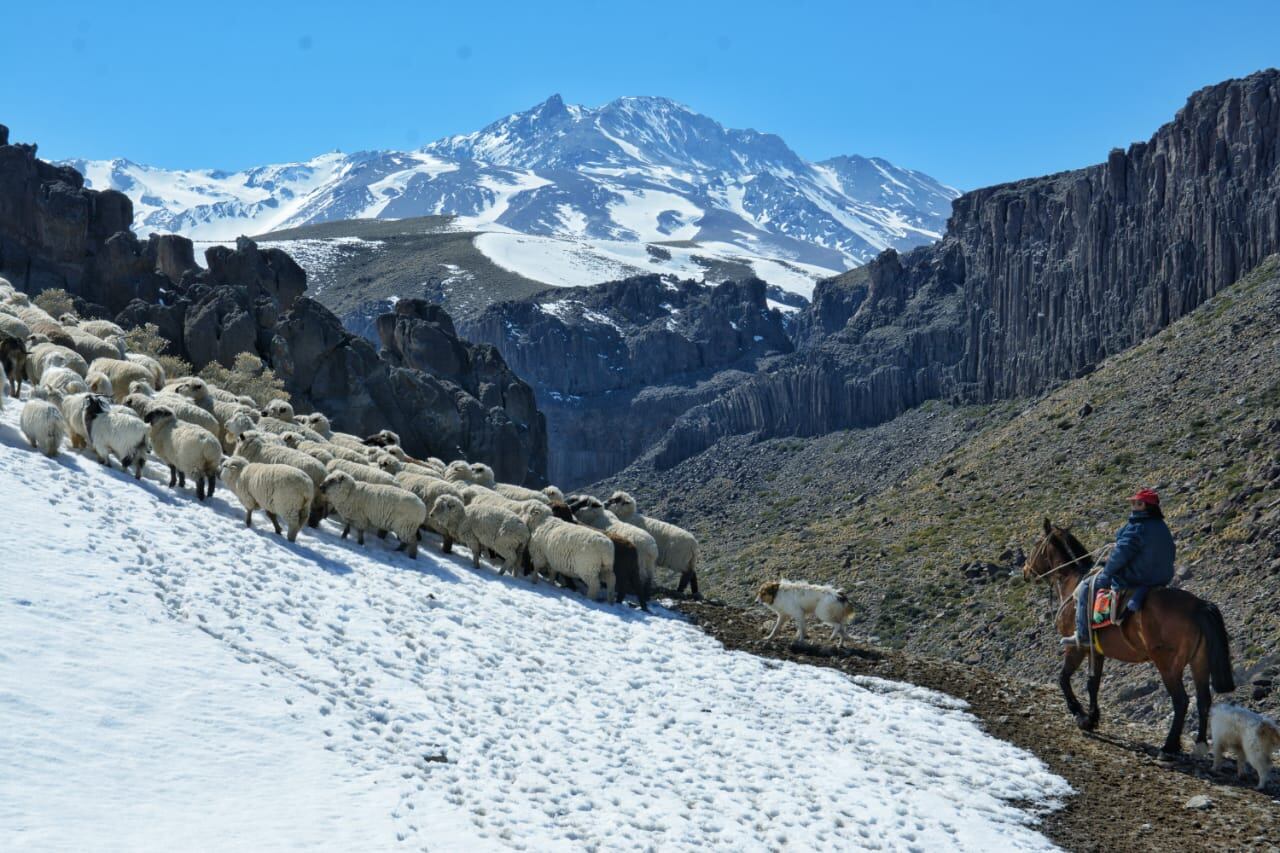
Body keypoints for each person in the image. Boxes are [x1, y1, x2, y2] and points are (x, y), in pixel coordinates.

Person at [1061, 488, 1175, 648]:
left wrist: (1107, 571)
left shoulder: (1137, 527)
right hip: (1162, 577)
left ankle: (1083, 635)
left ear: (1147, 507)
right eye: (1133, 502)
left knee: (1087, 587)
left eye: (1138, 503)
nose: (1134, 506)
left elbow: (1122, 554)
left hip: (1138, 577)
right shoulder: (1161, 526)